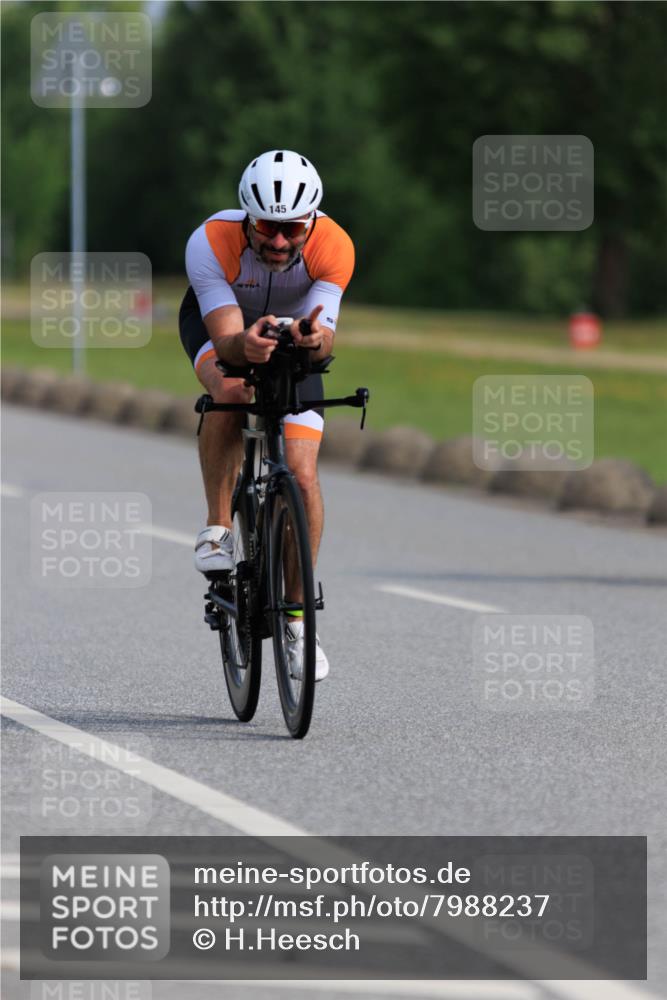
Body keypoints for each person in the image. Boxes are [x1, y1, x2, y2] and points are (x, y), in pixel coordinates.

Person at [179, 150, 355, 681]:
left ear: (312, 223)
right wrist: (243, 347)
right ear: (247, 219)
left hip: (292, 336)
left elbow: (323, 346)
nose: (278, 243)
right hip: (225, 325)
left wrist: (313, 341)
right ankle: (217, 527)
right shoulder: (210, 240)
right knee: (231, 390)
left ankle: (298, 621)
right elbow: (229, 339)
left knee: (301, 477)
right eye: (266, 228)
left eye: (292, 230)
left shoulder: (335, 245)